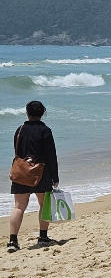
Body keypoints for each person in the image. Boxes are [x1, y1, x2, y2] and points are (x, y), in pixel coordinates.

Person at [8, 101, 59, 252]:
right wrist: (55, 177)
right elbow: (51, 156)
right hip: (41, 172)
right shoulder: (45, 130)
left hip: (21, 171)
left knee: (18, 207)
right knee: (44, 205)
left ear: (27, 113)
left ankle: (12, 241)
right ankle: (43, 237)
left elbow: (17, 151)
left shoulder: (20, 129)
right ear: (42, 113)